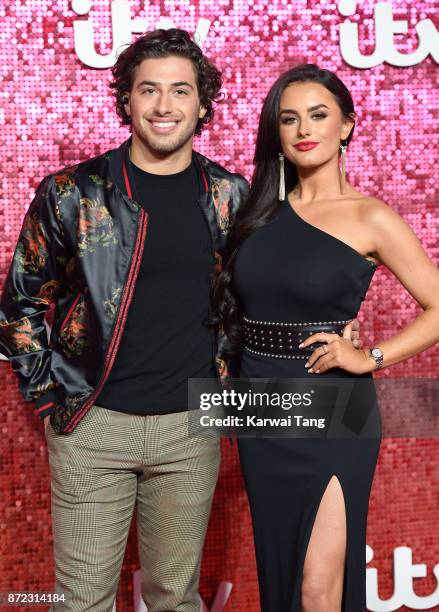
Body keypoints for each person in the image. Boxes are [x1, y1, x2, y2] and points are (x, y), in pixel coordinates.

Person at [0, 28, 250, 611]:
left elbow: (250, 299)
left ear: (202, 103)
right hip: (94, 424)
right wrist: (50, 398)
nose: (165, 106)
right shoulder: (73, 193)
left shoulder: (230, 196)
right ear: (128, 101)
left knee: (176, 599)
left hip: (192, 427)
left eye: (181, 91)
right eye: (150, 90)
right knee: (83, 600)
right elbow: (21, 304)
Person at [214, 64, 439, 612]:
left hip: (335, 407)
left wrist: (369, 357)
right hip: (260, 406)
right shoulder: (255, 212)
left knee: (319, 587)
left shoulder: (371, 216)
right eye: (288, 119)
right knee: (282, 579)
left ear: (347, 126)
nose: (303, 129)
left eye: (318, 115)